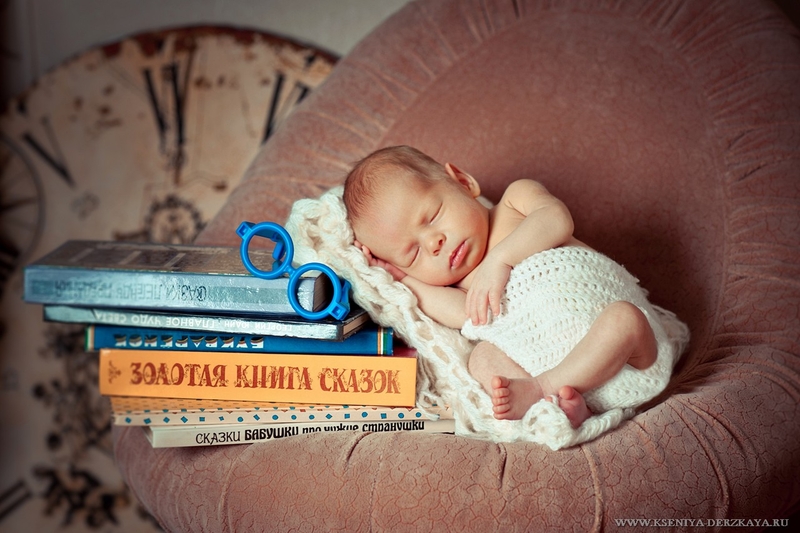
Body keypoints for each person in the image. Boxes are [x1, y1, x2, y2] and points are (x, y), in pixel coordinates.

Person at [343, 145, 683, 429]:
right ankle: (564, 408)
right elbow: (460, 314)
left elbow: (556, 219)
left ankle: (543, 388)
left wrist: (501, 260)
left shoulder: (514, 203)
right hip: (572, 381)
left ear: (462, 181)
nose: (434, 243)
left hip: (633, 357)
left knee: (623, 317)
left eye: (432, 217)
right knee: (482, 358)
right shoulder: (464, 289)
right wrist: (399, 278)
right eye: (413, 254)